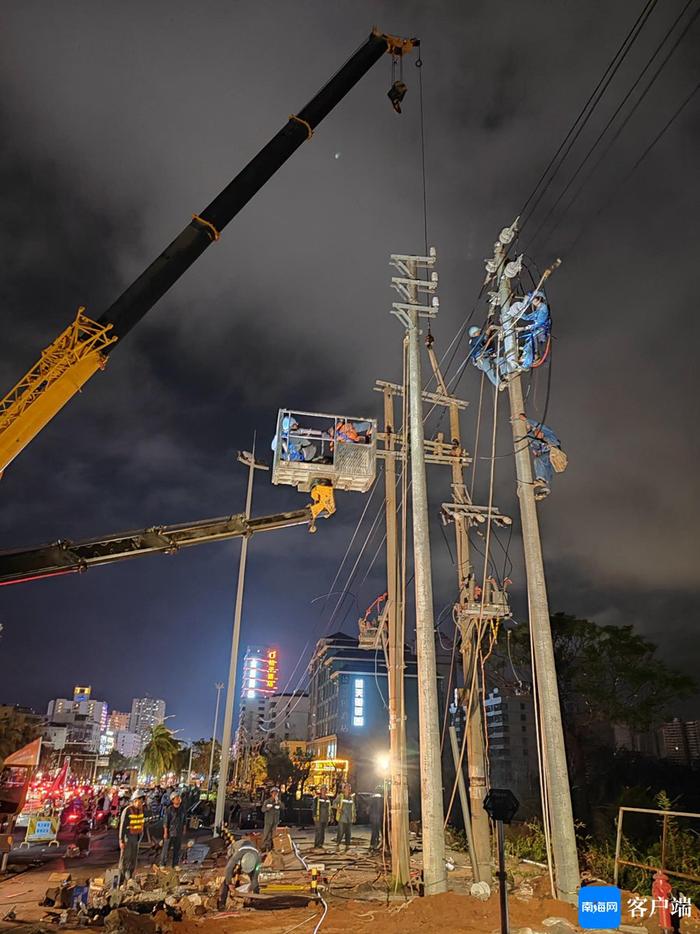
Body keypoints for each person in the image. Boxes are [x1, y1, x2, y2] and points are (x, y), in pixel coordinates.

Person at [520, 415, 564, 500]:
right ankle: (545, 488)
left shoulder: (548, 433)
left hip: (554, 452)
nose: (538, 435)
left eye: (538, 433)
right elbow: (530, 439)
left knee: (538, 460)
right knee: (546, 466)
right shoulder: (536, 440)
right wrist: (528, 430)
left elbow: (538, 425)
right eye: (536, 435)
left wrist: (526, 420)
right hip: (547, 455)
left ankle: (541, 479)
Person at [217, 836, 261, 907]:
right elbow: (228, 869)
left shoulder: (258, 860)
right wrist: (229, 884)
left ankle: (256, 900)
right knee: (230, 875)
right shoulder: (236, 855)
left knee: (254, 879)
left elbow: (255, 877)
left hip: (249, 853)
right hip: (235, 849)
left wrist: (250, 890)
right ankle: (222, 902)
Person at [515, 290, 551, 371]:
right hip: (538, 330)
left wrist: (524, 328)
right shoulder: (539, 308)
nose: (532, 302)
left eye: (534, 300)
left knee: (530, 346)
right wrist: (517, 313)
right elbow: (528, 317)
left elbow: (539, 323)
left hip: (541, 331)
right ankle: (526, 358)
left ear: (539, 299)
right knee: (528, 344)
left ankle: (526, 365)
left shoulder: (543, 309)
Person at [118, 790, 146, 883]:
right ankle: (122, 879)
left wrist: (141, 835)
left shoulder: (141, 810)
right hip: (127, 837)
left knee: (133, 857)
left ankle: (129, 876)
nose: (140, 803)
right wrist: (121, 840)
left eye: (142, 801)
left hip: (136, 837)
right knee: (126, 857)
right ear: (134, 800)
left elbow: (141, 823)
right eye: (139, 801)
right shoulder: (127, 810)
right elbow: (122, 826)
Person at [161, 793, 186, 867]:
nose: (178, 799)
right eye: (176, 798)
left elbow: (184, 820)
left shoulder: (182, 809)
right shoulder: (169, 810)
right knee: (166, 849)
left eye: (178, 797)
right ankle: (162, 864)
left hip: (178, 832)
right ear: (172, 800)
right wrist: (165, 832)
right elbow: (166, 822)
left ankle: (175, 864)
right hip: (170, 832)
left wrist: (184, 829)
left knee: (177, 849)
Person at [333, 783, 356, 853]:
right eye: (347, 788)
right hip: (342, 818)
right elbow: (334, 803)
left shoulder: (351, 797)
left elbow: (353, 808)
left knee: (348, 833)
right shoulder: (340, 796)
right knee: (340, 832)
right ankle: (337, 845)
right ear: (344, 789)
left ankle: (347, 846)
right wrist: (338, 808)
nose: (348, 789)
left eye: (349, 788)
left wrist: (354, 816)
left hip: (349, 818)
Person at [261, 787, 281, 851]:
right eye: (274, 793)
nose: (275, 794)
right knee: (266, 834)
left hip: (275, 821)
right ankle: (263, 847)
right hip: (268, 821)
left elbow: (282, 807)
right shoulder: (267, 801)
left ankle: (271, 847)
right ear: (271, 793)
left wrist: (278, 803)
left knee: (273, 835)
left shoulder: (278, 802)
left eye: (276, 793)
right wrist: (268, 808)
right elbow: (263, 810)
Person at [312, 786, 331, 850]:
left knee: (322, 832)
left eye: (325, 790)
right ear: (321, 791)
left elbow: (329, 809)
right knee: (318, 831)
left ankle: (320, 844)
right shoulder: (317, 799)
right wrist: (314, 815)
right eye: (323, 790)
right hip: (318, 818)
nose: (324, 791)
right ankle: (317, 844)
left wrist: (330, 817)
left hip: (325, 818)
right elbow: (314, 808)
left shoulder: (328, 799)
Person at [369, 786, 384, 853]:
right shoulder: (382, 798)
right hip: (379, 817)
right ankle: (377, 843)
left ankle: (372, 844)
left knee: (374, 832)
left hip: (373, 817)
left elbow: (369, 808)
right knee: (380, 831)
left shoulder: (372, 797)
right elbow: (382, 808)